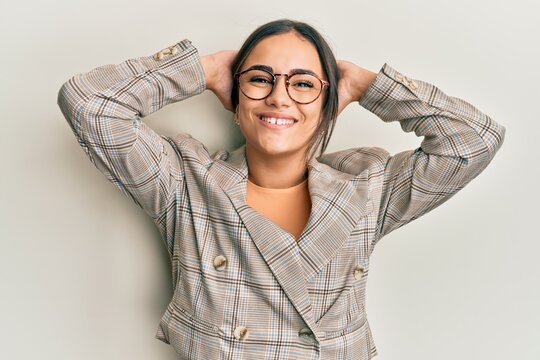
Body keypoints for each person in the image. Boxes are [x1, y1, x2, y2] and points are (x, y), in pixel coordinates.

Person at [57, 18, 505, 360]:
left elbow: (475, 141)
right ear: (235, 99)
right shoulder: (184, 181)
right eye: (259, 79)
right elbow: (90, 104)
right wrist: (202, 68)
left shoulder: (369, 188)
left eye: (304, 84)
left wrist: (369, 87)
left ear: (328, 106)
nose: (280, 96)